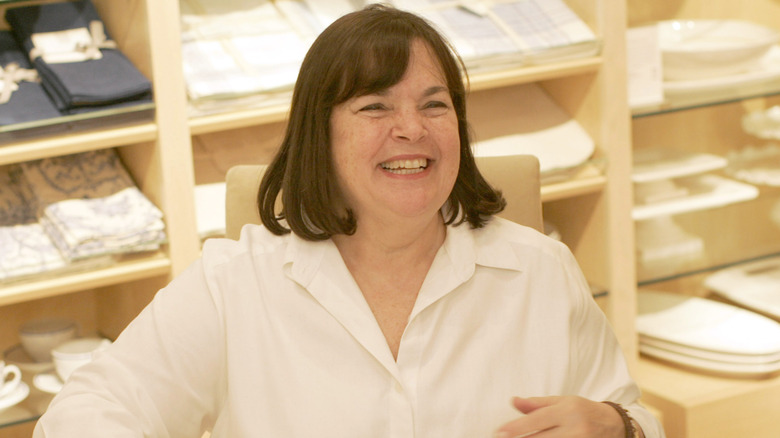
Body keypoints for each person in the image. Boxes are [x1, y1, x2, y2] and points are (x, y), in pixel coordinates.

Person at [35, 5, 665, 438]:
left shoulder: (540, 271)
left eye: (434, 105)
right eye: (374, 106)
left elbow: (633, 415)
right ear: (321, 136)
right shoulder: (236, 284)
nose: (411, 129)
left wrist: (619, 425)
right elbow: (83, 412)